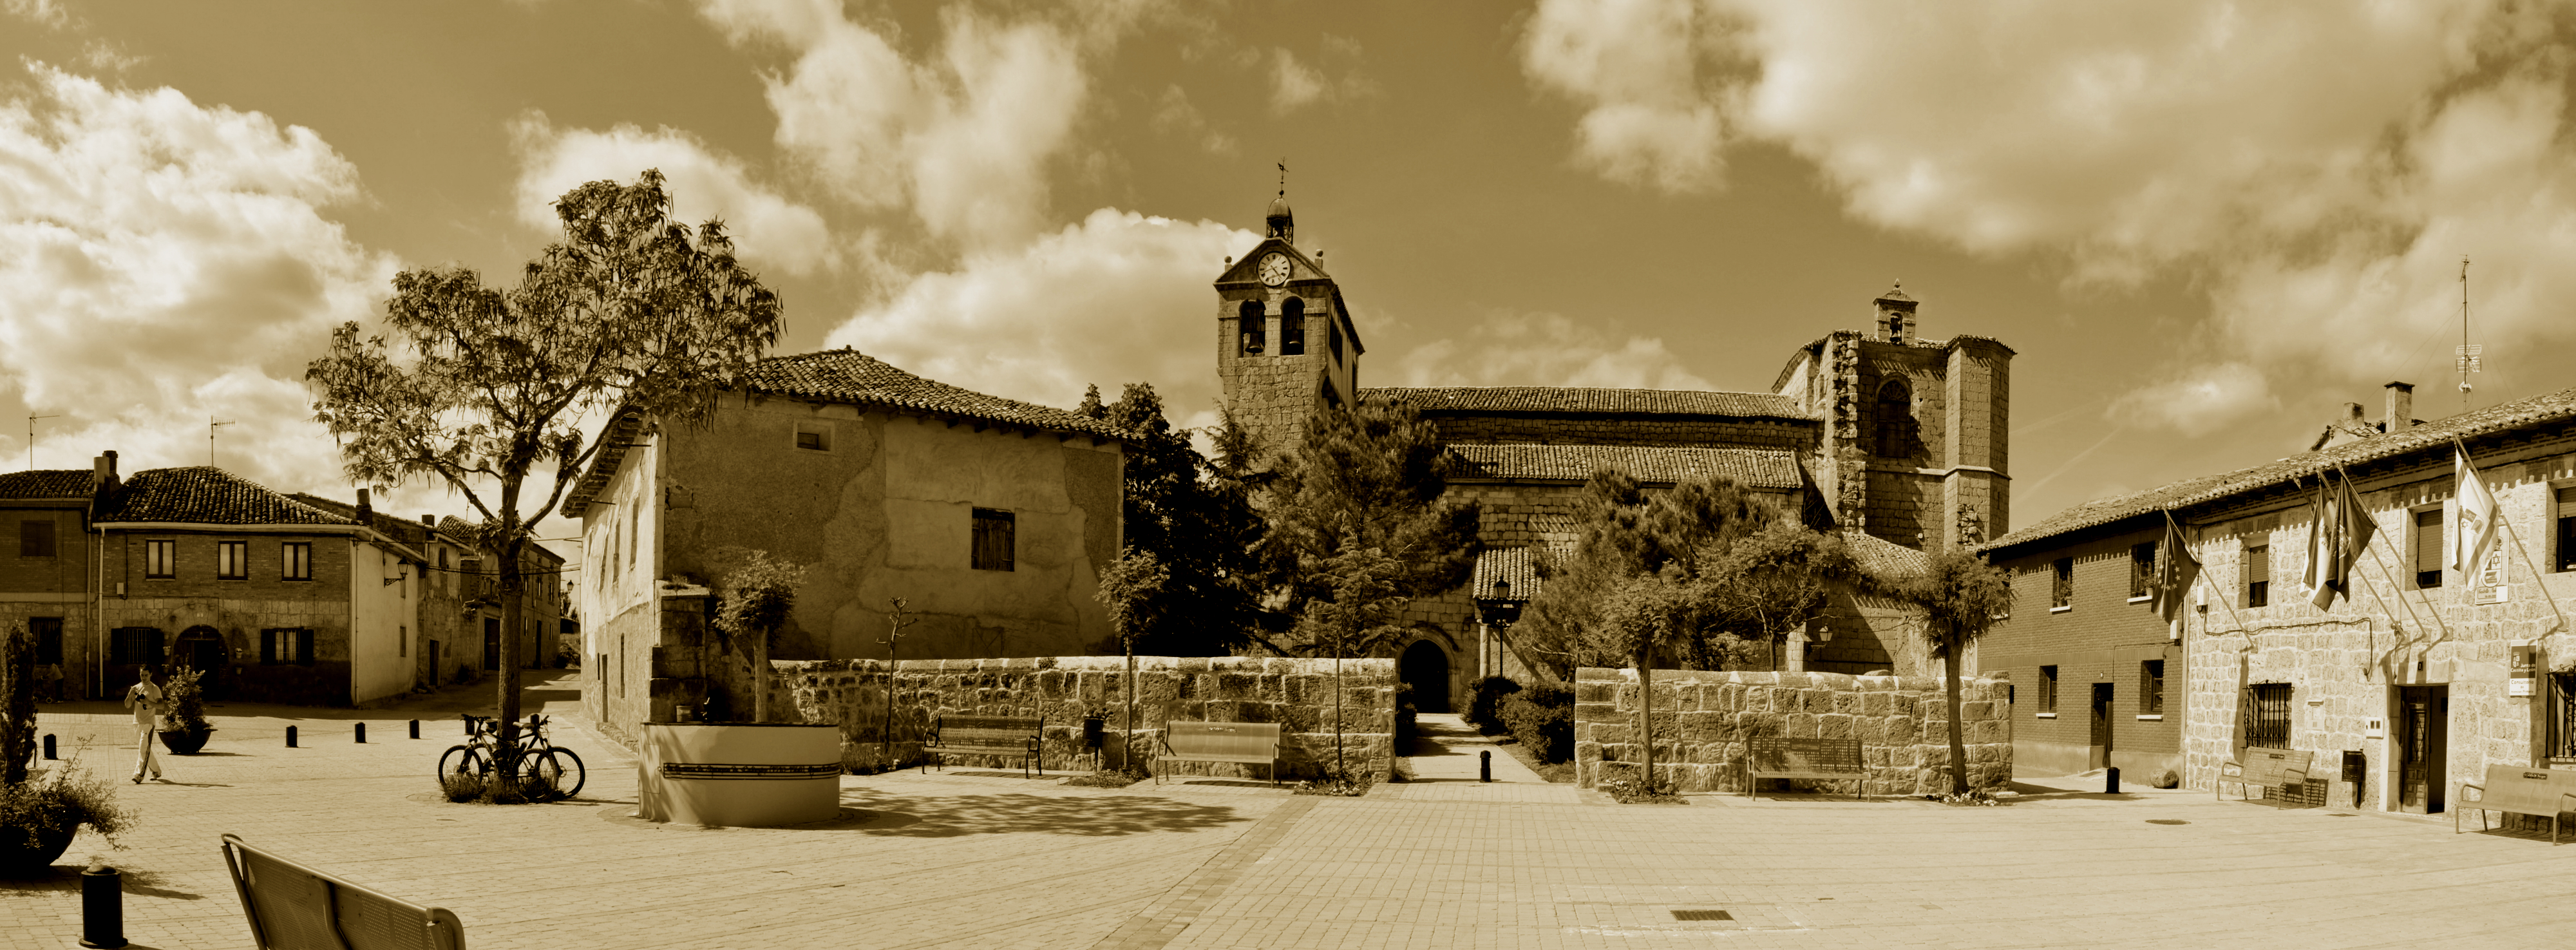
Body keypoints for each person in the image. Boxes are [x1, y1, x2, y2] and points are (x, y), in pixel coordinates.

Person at [125, 665, 164, 783]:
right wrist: (130, 694)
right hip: (137, 723)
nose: (144, 677)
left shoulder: (154, 689)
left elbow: (161, 706)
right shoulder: (136, 688)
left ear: (151, 675)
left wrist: (149, 702)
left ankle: (139, 775)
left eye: (146, 675)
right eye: (142, 675)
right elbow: (127, 705)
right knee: (145, 749)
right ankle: (157, 771)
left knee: (143, 749)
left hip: (149, 723)